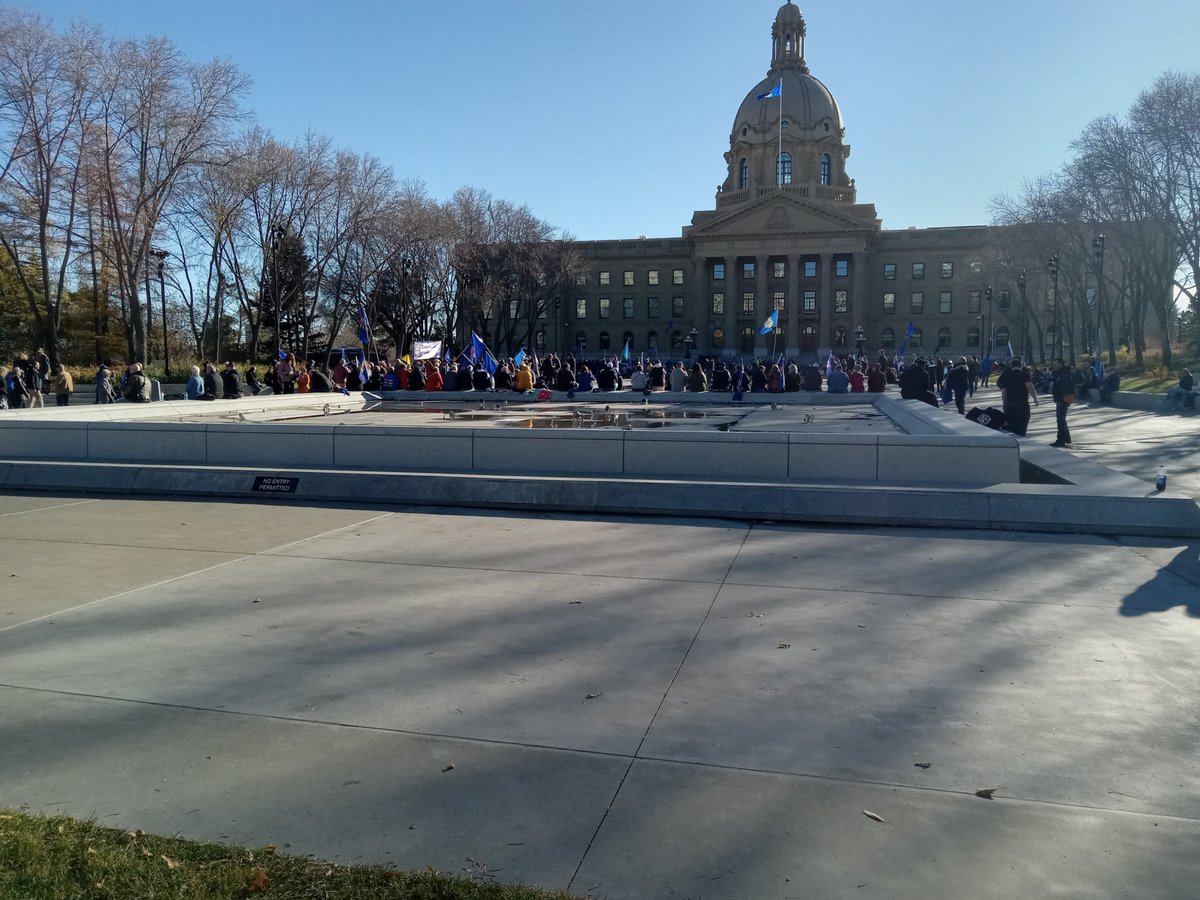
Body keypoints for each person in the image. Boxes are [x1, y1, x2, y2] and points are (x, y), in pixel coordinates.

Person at [995, 357, 1037, 436]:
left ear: (1012, 366)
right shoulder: (1024, 374)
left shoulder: (1007, 375)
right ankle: (1021, 436)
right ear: (1021, 366)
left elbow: (1004, 391)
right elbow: (1029, 386)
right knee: (1023, 422)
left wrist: (1004, 404)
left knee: (1011, 423)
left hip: (1010, 402)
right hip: (1022, 402)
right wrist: (1035, 398)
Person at [1050, 357, 1074, 447]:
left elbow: (1064, 386)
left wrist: (1058, 394)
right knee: (1061, 419)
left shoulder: (1064, 373)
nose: (1054, 366)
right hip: (1061, 397)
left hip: (1064, 397)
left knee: (1060, 419)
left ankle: (1061, 440)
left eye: (1056, 364)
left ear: (1061, 364)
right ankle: (1066, 438)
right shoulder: (1060, 373)